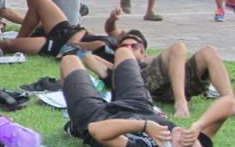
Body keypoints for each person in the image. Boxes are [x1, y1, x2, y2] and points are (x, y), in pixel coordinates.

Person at [61, 46, 232, 147]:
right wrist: (198, 126)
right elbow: (230, 102)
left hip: (96, 115)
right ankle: (107, 76)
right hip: (139, 105)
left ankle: (75, 126)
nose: (182, 132)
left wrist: (144, 126)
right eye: (192, 138)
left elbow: (96, 129)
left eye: (183, 141)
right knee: (124, 52)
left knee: (70, 60)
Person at [81, 19, 234, 119]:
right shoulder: (115, 71)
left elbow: (176, 59)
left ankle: (230, 102)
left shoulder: (153, 60)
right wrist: (120, 62)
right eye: (124, 46)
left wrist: (147, 59)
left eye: (134, 46)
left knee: (209, 51)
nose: (128, 49)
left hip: (174, 83)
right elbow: (88, 58)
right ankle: (181, 103)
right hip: (143, 86)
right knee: (178, 47)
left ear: (143, 50)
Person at [0, 0, 107, 57]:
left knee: (7, 45)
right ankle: (21, 38)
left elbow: (71, 46)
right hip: (67, 31)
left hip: (59, 44)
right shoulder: (114, 41)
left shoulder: (106, 47)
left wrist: (82, 31)